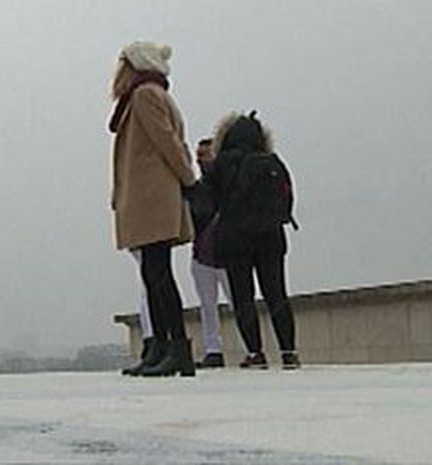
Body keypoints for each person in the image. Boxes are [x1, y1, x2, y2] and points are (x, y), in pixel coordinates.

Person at [109, 41, 198, 377]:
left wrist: (190, 181)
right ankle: (162, 346)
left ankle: (175, 347)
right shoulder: (150, 94)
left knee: (158, 275)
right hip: (149, 195)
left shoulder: (145, 95)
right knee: (154, 273)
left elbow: (167, 143)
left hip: (152, 196)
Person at [204, 112, 301, 370]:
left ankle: (255, 353)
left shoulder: (222, 163)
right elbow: (288, 197)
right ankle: (289, 351)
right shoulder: (273, 161)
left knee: (243, 296)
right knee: (276, 292)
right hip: (271, 235)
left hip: (235, 237)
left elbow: (207, 203)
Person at [187, 137, 234, 368]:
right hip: (203, 255)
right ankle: (212, 349)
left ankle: (250, 347)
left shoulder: (227, 187)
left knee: (233, 302)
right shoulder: (198, 189)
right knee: (207, 305)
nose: (200, 160)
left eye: (204, 155)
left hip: (224, 254)